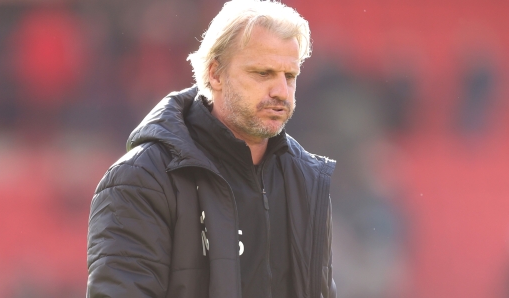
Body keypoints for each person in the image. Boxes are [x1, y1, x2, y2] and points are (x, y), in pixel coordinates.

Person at [86, 0, 336, 297]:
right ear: (215, 74)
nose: (281, 91)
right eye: (263, 73)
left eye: (289, 76)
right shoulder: (142, 180)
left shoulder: (306, 182)